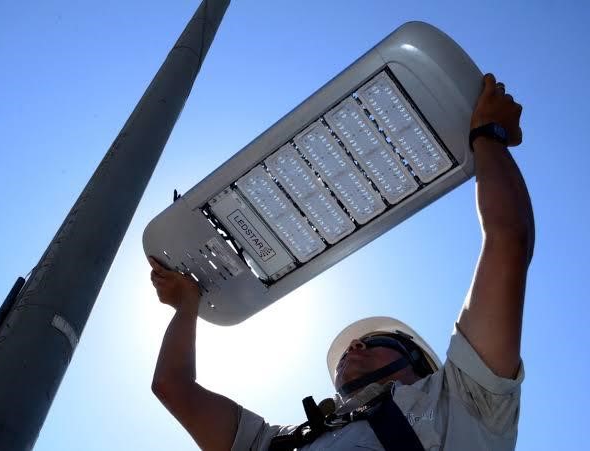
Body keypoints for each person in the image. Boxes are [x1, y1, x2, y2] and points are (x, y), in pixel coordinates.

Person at [148, 73, 534, 450]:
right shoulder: (279, 441)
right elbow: (172, 388)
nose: (355, 348)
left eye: (377, 341)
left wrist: (489, 137)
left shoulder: (463, 408)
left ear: (420, 365)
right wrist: (187, 304)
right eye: (355, 345)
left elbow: (507, 244)